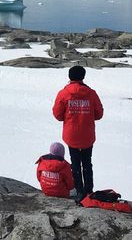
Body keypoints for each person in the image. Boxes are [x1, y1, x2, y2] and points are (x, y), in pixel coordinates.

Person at [52, 65, 103, 200]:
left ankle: (79, 191)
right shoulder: (91, 93)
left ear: (69, 77)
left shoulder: (64, 93)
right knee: (87, 163)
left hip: (71, 134)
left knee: (75, 163)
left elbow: (57, 115)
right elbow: (99, 114)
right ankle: (89, 190)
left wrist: (70, 116)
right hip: (87, 135)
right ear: (83, 77)